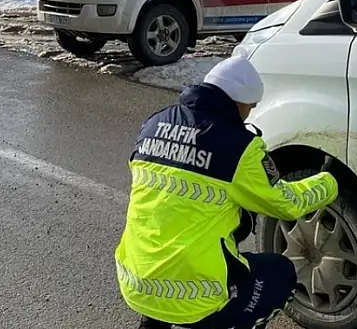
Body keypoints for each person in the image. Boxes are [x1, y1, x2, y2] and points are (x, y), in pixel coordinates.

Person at [114, 56, 340, 329]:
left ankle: (153, 323)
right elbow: (286, 204)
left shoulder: (154, 124)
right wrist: (330, 181)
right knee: (280, 274)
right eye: (250, 107)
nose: (250, 113)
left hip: (135, 280)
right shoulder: (238, 148)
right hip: (198, 296)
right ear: (239, 103)